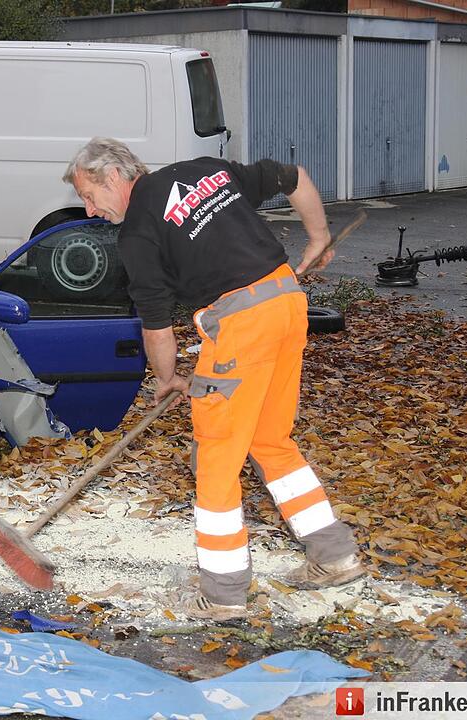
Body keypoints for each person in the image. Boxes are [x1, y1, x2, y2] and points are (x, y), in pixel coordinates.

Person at [63, 138, 365, 621]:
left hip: (243, 328)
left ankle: (224, 595)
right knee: (269, 441)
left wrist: (167, 377)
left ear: (113, 177)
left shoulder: (138, 230)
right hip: (288, 306)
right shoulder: (204, 170)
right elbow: (294, 177)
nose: (90, 210)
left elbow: (156, 325)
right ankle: (334, 555)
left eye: (88, 195)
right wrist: (318, 236)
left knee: (217, 459)